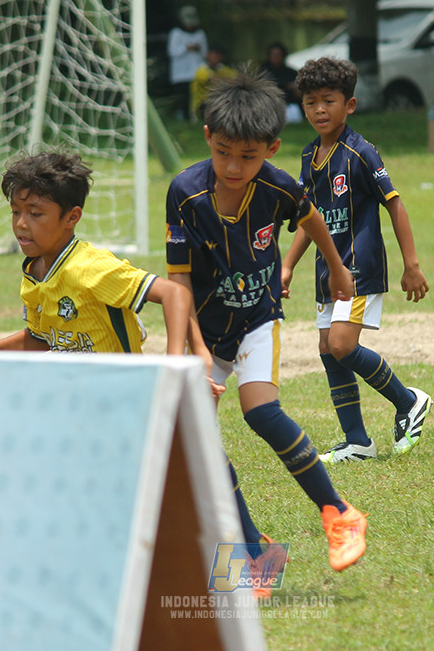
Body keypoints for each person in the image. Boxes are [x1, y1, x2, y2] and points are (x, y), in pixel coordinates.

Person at [0, 150, 283, 595]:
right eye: (16, 211)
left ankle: (254, 554)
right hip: (85, 407)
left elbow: (174, 295)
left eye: (36, 213)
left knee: (200, 470)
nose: (21, 224)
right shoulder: (35, 272)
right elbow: (39, 336)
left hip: (132, 398)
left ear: (71, 217)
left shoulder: (90, 268)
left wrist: (175, 363)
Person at [165, 70, 368, 572]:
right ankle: (256, 553)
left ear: (272, 148)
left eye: (249, 156)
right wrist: (188, 349)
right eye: (224, 152)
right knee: (199, 443)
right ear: (208, 138)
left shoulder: (279, 187)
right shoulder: (184, 194)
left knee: (260, 411)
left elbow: (311, 217)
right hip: (204, 331)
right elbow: (179, 281)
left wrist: (338, 269)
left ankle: (340, 512)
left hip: (258, 317)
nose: (234, 167)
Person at [282, 56, 432, 464]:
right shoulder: (309, 156)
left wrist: (411, 264)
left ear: (348, 105)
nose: (319, 110)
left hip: (358, 266)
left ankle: (408, 401)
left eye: (328, 101)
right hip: (326, 271)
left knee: (342, 344)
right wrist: (288, 264)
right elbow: (306, 217)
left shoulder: (361, 152)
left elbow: (394, 204)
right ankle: (357, 441)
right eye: (310, 102)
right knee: (327, 349)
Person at [167, 5, 208, 121]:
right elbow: (172, 51)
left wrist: (197, 48)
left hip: (196, 71)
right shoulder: (176, 33)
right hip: (181, 72)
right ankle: (182, 117)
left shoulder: (200, 34)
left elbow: (205, 53)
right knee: (182, 97)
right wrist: (186, 48)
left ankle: (195, 117)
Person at [189, 44, 237, 121]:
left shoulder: (222, 68)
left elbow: (239, 77)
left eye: (220, 54)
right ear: (208, 54)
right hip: (203, 105)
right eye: (215, 53)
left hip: (218, 102)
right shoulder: (201, 69)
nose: (217, 57)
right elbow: (214, 79)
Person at [260, 41, 303, 124]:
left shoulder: (291, 73)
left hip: (289, 106)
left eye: (279, 55)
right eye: (274, 55)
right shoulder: (263, 73)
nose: (276, 57)